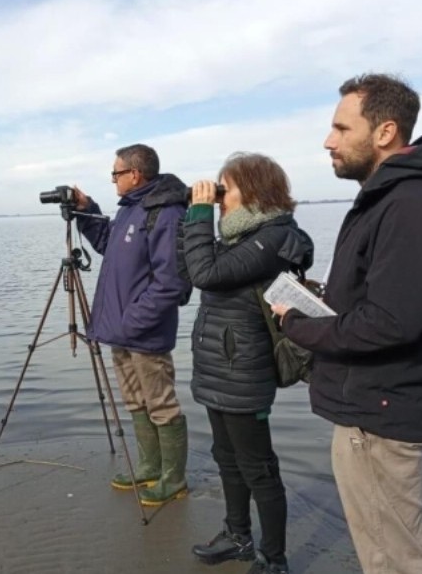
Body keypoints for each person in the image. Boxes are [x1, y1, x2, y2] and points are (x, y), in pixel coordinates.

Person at [271, 73, 422, 574]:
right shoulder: (387, 199)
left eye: (341, 128)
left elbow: (389, 324)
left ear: (384, 133)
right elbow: (379, 302)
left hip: (381, 412)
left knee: (396, 559)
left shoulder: (411, 205)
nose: (328, 141)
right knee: (383, 551)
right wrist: (324, 298)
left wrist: (296, 323)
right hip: (368, 405)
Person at [180, 152, 314, 574]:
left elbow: (207, 274)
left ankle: (274, 559)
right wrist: (188, 215)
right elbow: (191, 267)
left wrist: (201, 211)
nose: (219, 198)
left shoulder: (272, 238)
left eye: (226, 188)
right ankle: (238, 536)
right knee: (226, 457)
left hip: (245, 371)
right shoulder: (239, 235)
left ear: (255, 191)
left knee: (258, 469)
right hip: (220, 366)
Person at [72, 143, 191, 507]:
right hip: (121, 330)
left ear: (135, 174)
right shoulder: (131, 209)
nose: (113, 180)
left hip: (144, 332)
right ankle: (149, 467)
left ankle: (174, 479)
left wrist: (134, 319)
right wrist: (86, 210)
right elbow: (109, 242)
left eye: (116, 173)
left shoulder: (165, 213)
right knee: (135, 400)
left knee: (160, 403)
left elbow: (171, 281)